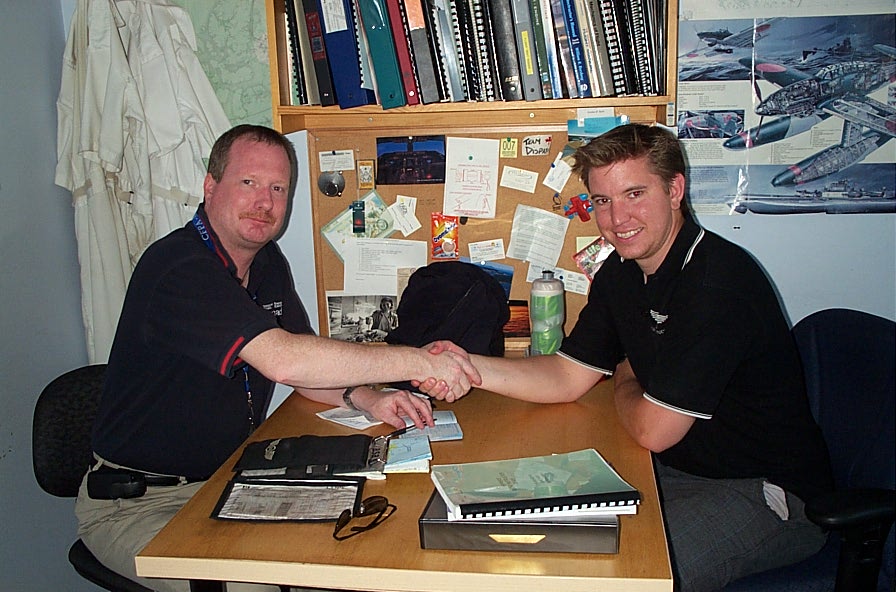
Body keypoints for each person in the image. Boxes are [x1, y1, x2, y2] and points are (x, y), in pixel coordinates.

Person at [420, 124, 833, 591]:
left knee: (617, 579)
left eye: (634, 193)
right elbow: (565, 375)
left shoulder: (718, 285)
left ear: (675, 189)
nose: (618, 218)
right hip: (677, 469)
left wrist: (624, 379)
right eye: (602, 201)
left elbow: (652, 430)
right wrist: (465, 366)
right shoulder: (621, 271)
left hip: (766, 492)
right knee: (532, 541)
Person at [75, 124, 480, 592]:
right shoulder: (178, 268)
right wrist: (418, 362)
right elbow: (283, 360)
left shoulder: (266, 264)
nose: (264, 202)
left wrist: (369, 399)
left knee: (353, 549)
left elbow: (306, 368)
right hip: (140, 503)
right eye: (248, 183)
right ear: (210, 186)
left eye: (278, 188)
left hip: (227, 482)